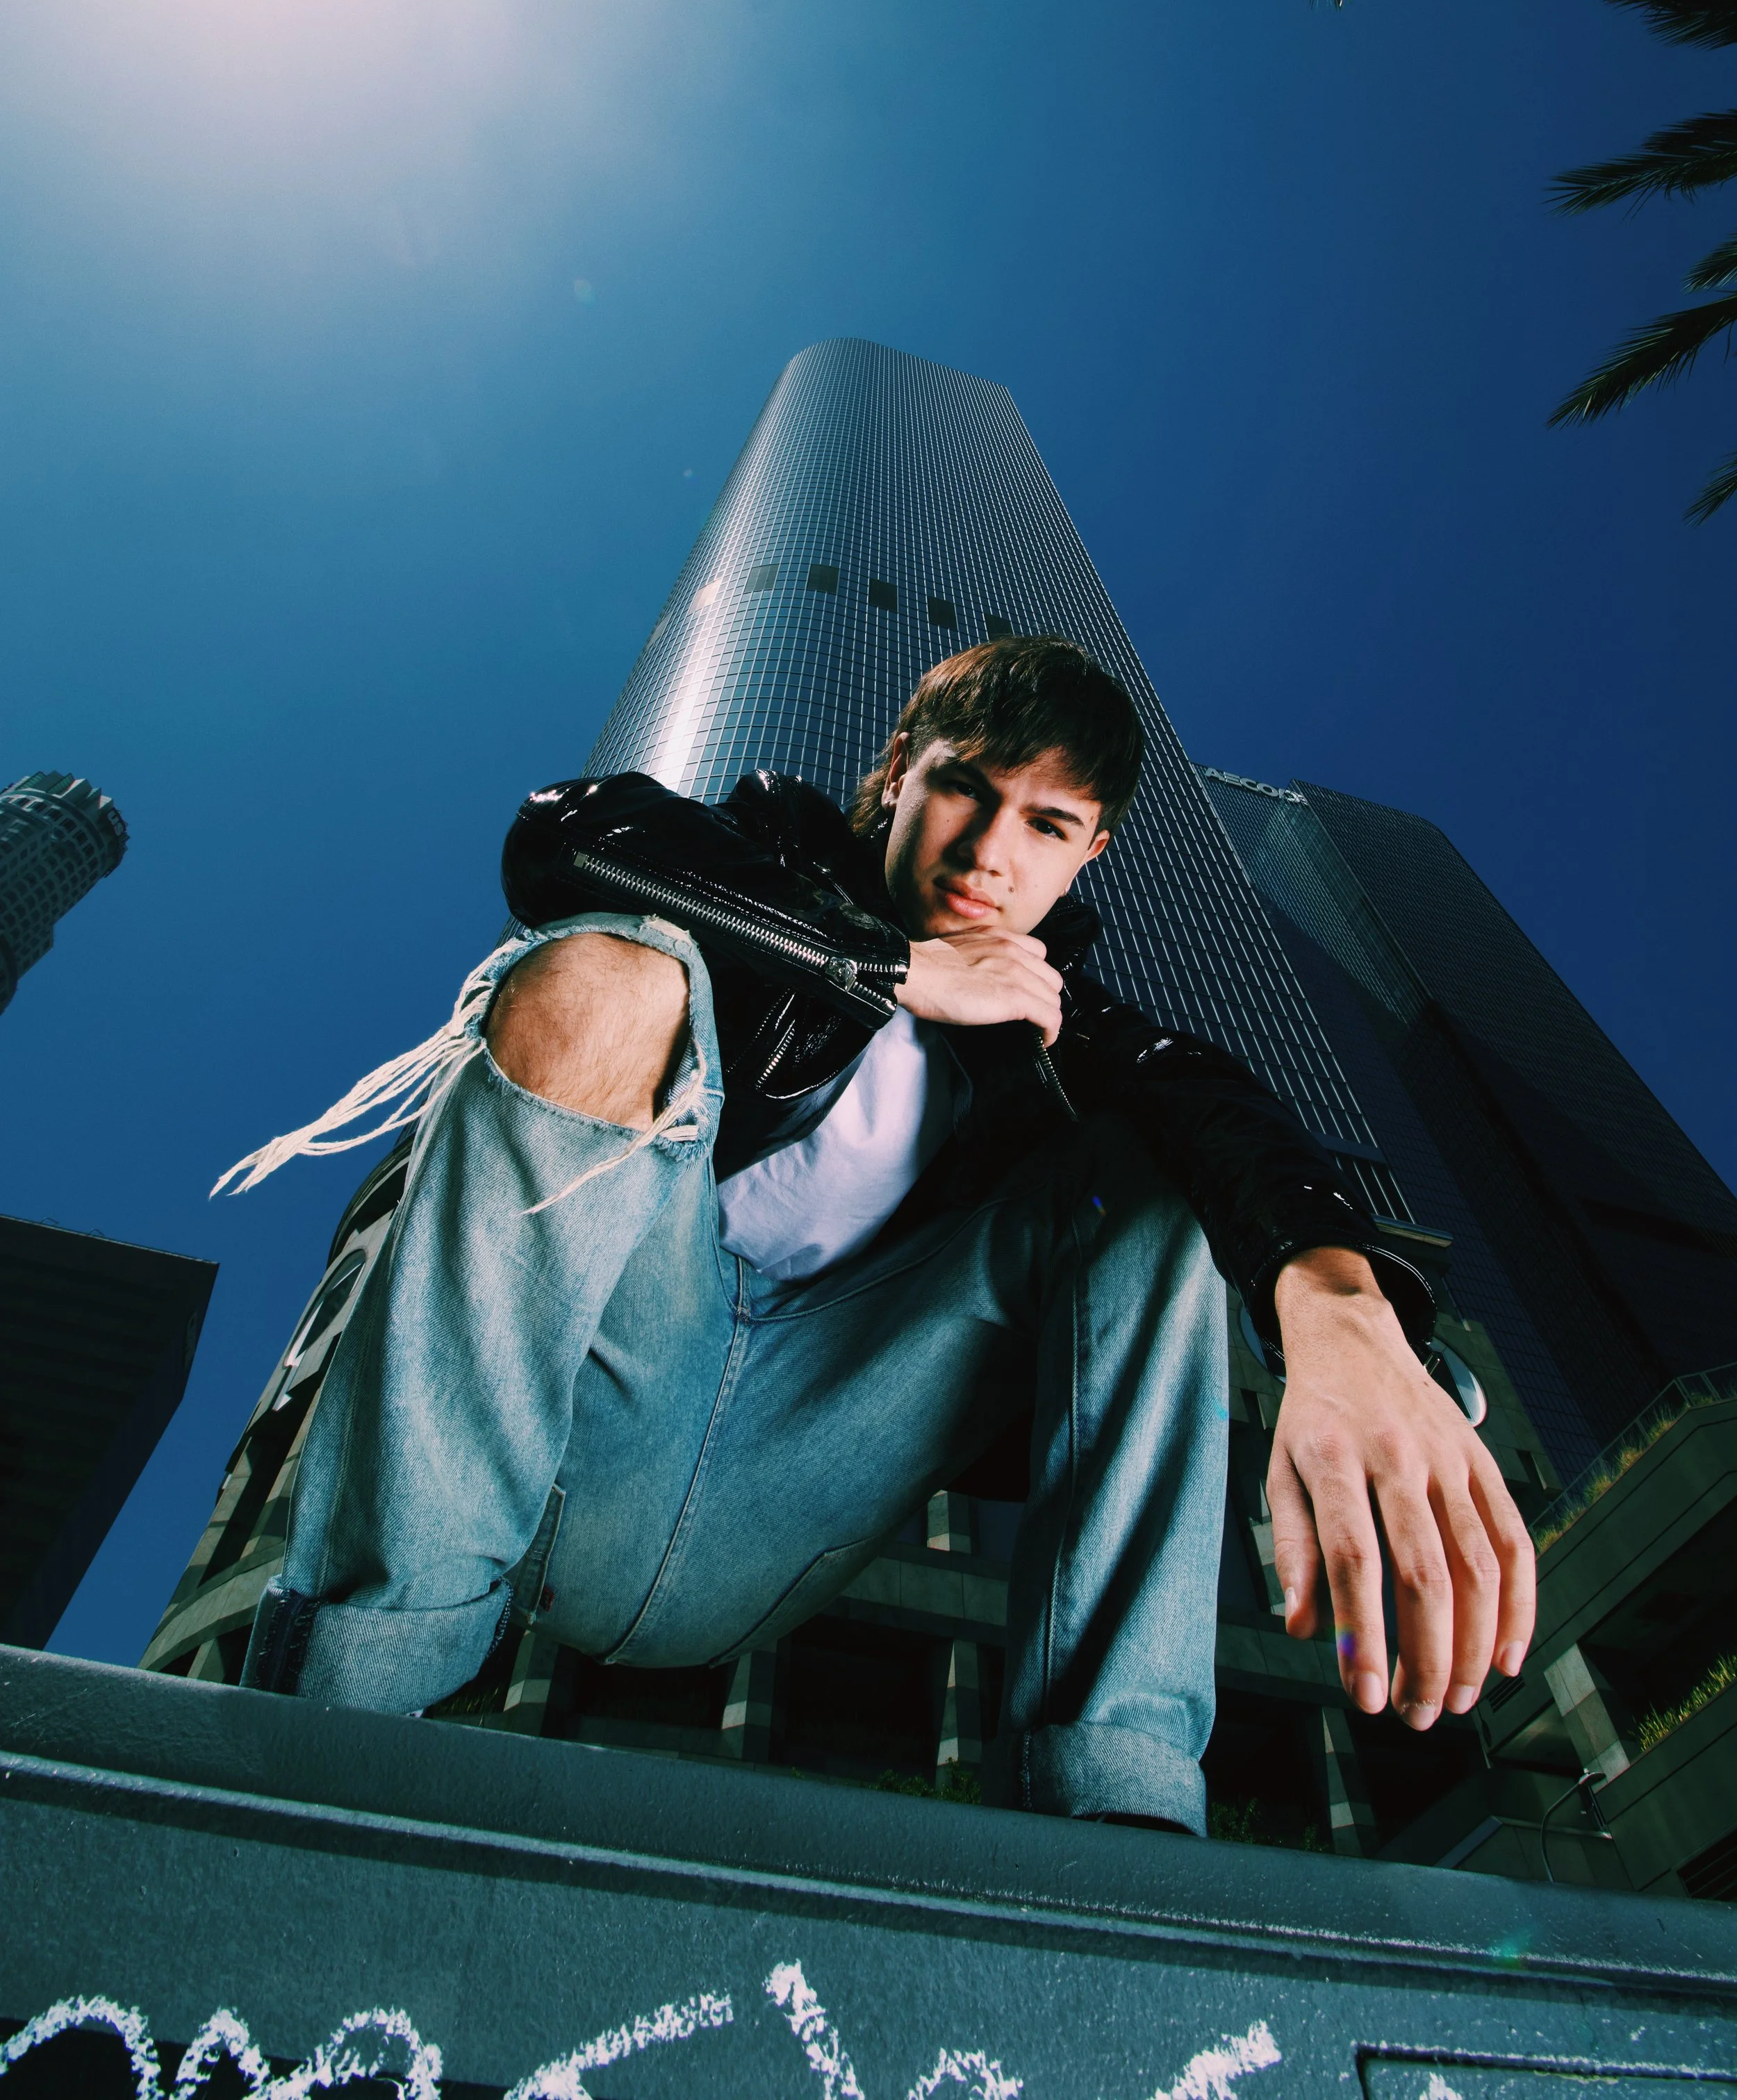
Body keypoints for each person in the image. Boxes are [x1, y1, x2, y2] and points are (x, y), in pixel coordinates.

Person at [233, 636, 1533, 1832]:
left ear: (1089, 857)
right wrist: (887, 969)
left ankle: (1118, 1809)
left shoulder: (1076, 1039)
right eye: (964, 788)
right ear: (898, 774)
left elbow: (1229, 1118)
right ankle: (339, 1698)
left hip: (808, 1465)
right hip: (589, 1404)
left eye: (1047, 824)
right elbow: (566, 835)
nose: (988, 853)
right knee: (604, 969)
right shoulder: (760, 853)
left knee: (1151, 1175)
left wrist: (1349, 1325)